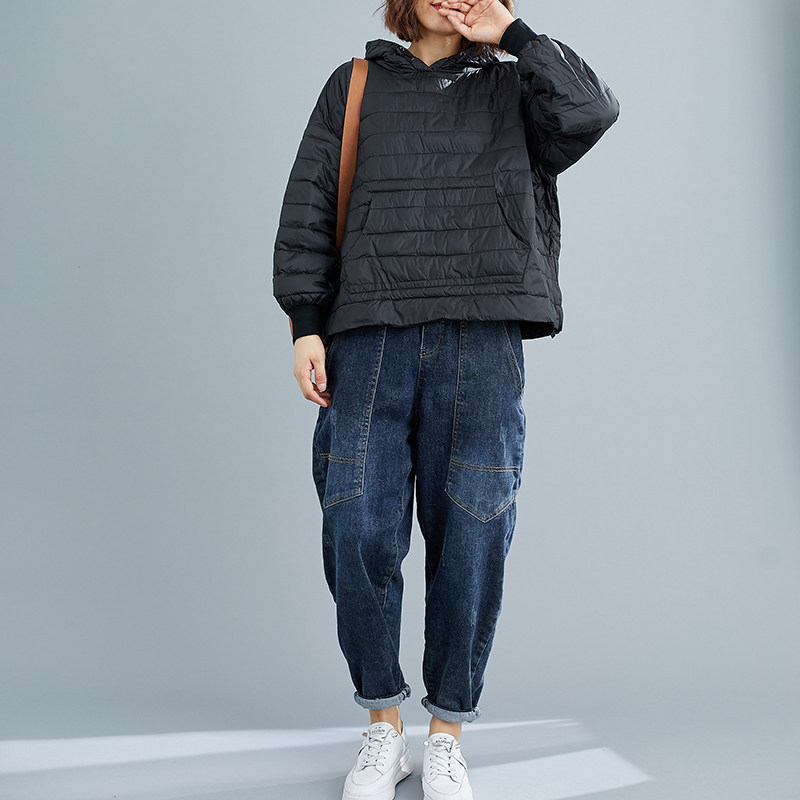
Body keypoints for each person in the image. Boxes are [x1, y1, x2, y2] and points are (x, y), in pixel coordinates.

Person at [273, 0, 620, 797]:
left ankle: (448, 733)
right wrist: (305, 325)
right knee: (357, 529)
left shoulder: (519, 86)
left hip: (482, 335)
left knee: (472, 537)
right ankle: (382, 725)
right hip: (369, 336)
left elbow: (591, 111)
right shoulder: (355, 84)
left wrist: (516, 37)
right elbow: (308, 206)